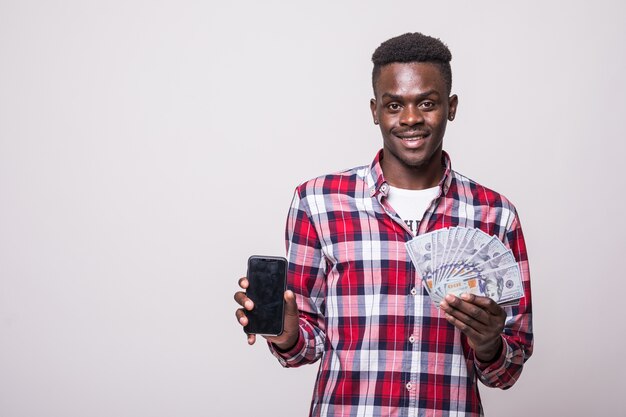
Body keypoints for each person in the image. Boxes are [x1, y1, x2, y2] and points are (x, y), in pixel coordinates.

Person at [234, 32, 533, 417]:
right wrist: (288, 332)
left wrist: (490, 343)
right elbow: (303, 348)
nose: (410, 118)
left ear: (451, 106)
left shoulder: (496, 214)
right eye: (395, 105)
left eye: (427, 103)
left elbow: (508, 369)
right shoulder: (318, 202)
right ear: (375, 111)